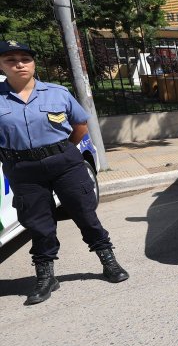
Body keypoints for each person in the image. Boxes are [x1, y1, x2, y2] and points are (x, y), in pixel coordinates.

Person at [0, 41, 129, 306]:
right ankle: (46, 277)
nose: (19, 64)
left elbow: (79, 126)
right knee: (39, 225)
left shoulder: (57, 93)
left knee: (84, 213)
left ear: (34, 63)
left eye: (25, 58)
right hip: (23, 169)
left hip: (64, 162)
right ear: (2, 66)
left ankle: (109, 262)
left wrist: (60, 151)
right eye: (11, 60)